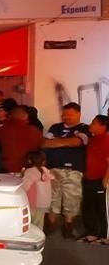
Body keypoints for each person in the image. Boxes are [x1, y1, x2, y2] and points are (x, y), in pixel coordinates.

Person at [43, 102, 90, 238]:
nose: (66, 117)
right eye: (64, 114)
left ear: (78, 114)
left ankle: (68, 226)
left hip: (74, 169)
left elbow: (76, 142)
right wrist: (65, 142)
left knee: (72, 198)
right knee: (53, 197)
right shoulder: (55, 127)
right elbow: (45, 142)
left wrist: (58, 142)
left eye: (70, 114)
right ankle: (51, 223)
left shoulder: (84, 128)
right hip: (53, 167)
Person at [0, 105, 44, 173]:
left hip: (8, 169)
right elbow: (42, 144)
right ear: (26, 116)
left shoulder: (3, 129)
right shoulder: (34, 130)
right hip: (28, 167)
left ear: (10, 116)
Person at [80, 115, 109, 243]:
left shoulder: (106, 141)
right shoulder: (93, 139)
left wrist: (106, 180)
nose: (90, 124)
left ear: (103, 126)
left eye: (94, 122)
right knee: (88, 206)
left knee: (101, 208)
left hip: (100, 180)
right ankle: (91, 233)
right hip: (88, 178)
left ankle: (104, 236)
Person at [22, 151, 53, 231]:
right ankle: (38, 240)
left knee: (29, 224)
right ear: (44, 161)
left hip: (31, 203)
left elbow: (25, 187)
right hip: (42, 204)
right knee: (39, 225)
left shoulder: (30, 172)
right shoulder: (46, 171)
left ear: (29, 161)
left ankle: (30, 240)